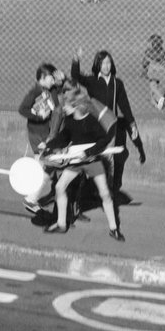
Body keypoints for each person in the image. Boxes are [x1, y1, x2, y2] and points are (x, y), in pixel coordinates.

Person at [70, 47, 146, 227]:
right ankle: (76, 206)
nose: (106, 66)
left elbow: (125, 106)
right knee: (85, 165)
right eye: (103, 63)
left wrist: (133, 127)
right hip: (93, 128)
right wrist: (76, 60)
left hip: (109, 128)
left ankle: (106, 199)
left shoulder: (117, 83)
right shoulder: (91, 81)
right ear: (98, 65)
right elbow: (76, 76)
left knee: (108, 163)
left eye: (109, 63)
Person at [40, 85, 124, 241]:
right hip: (76, 162)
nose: (63, 108)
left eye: (66, 105)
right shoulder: (70, 121)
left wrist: (89, 152)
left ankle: (114, 228)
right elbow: (63, 137)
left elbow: (104, 140)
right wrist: (49, 145)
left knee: (105, 193)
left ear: (76, 106)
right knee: (59, 187)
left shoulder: (91, 121)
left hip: (92, 161)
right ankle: (61, 224)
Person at [16, 63, 66, 212]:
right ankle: (31, 199)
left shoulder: (50, 90)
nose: (53, 81)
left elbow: (60, 91)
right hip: (38, 134)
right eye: (51, 78)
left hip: (47, 133)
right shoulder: (35, 92)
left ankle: (32, 198)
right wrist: (38, 116)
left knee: (46, 166)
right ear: (43, 78)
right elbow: (22, 109)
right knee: (46, 164)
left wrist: (62, 79)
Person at [141, 35, 165, 111]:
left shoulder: (149, 51)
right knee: (153, 89)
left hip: (152, 71)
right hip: (160, 72)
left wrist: (144, 70)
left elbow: (144, 63)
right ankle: (157, 105)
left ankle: (160, 97)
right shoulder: (162, 51)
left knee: (152, 87)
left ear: (153, 43)